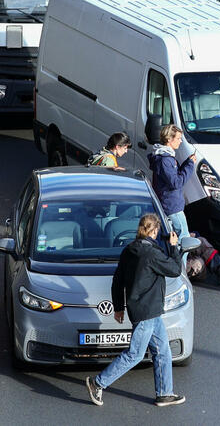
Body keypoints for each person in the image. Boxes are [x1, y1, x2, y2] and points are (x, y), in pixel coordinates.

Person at [85, 214, 185, 408]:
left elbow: (117, 281)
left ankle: (165, 393)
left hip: (147, 311)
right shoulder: (152, 254)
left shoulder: (129, 250)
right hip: (147, 312)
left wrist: (118, 307)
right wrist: (173, 247)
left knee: (162, 351)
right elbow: (174, 269)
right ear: (154, 231)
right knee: (135, 354)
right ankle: (97, 383)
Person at [149, 124, 196, 238]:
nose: (180, 141)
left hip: (170, 204)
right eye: (178, 138)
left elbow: (173, 175)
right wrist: (189, 165)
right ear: (169, 139)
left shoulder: (165, 157)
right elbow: (176, 183)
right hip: (172, 206)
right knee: (184, 239)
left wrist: (186, 163)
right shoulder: (165, 160)